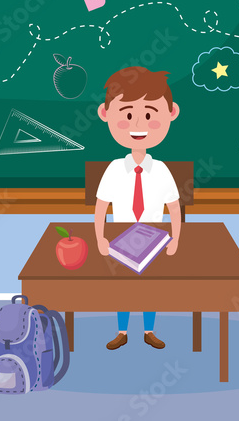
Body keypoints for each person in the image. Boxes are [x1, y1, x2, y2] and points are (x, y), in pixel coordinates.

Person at [94, 66, 182, 350]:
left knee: (150, 287)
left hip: (154, 238)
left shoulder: (162, 170)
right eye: (128, 115)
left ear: (171, 113)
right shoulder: (113, 169)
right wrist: (100, 238)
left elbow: (174, 207)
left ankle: (148, 331)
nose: (138, 124)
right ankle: (121, 331)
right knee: (123, 288)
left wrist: (175, 239)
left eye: (149, 115)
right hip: (120, 240)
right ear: (106, 114)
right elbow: (101, 207)